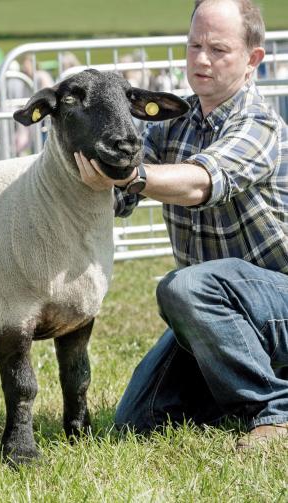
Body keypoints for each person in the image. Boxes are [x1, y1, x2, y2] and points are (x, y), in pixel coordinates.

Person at [75, 0, 288, 449]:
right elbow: (118, 197)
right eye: (194, 45)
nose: (202, 59)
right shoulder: (170, 124)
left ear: (253, 60)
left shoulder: (261, 123)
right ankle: (243, 375)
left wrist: (132, 176)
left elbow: (202, 182)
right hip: (216, 312)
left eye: (218, 49)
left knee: (184, 287)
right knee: (139, 418)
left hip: (277, 301)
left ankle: (273, 410)